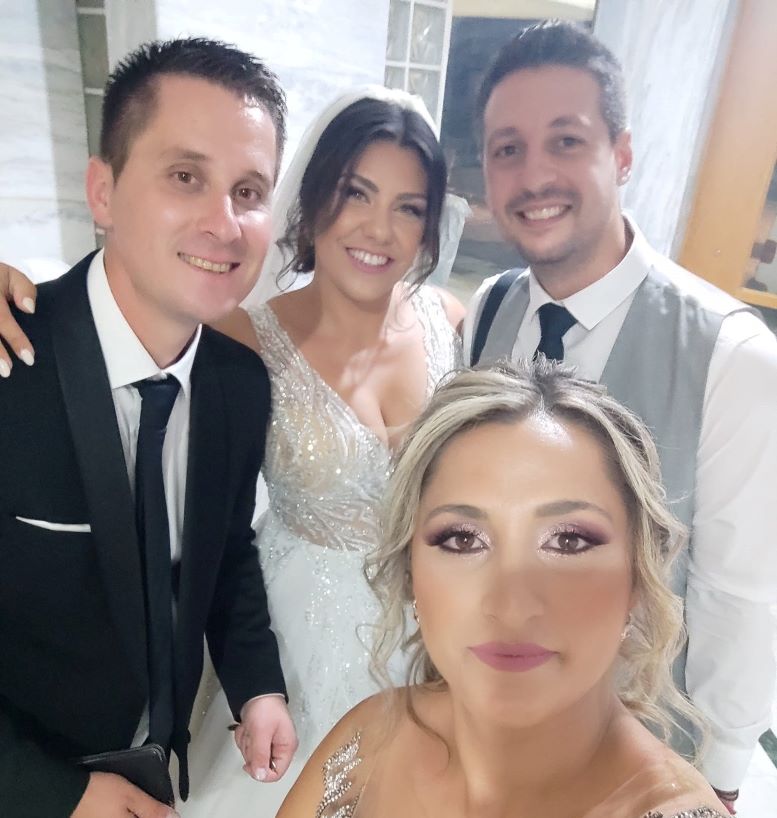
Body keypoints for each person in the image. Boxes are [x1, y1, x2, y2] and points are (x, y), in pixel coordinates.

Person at [463, 21, 777, 813]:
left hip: (636, 755)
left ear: (622, 154)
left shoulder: (731, 356)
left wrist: (718, 778)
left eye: (565, 141)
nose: (534, 174)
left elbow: (740, 598)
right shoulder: (488, 310)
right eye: (507, 149)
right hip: (486, 726)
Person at [0, 37, 297, 818]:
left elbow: (224, 550)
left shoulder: (239, 384)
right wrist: (56, 794)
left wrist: (256, 686)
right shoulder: (10, 362)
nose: (224, 224)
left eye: (248, 190)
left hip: (164, 778)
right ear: (103, 191)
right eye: (185, 176)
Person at [179, 87, 464, 817]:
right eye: (355, 193)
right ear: (311, 201)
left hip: (432, 640)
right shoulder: (243, 340)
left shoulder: (449, 320)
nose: (379, 229)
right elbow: (218, 533)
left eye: (408, 207)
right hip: (295, 641)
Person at [277, 362, 728, 818]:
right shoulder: (370, 737)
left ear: (638, 575)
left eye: (568, 541)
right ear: (411, 571)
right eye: (462, 540)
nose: (511, 606)